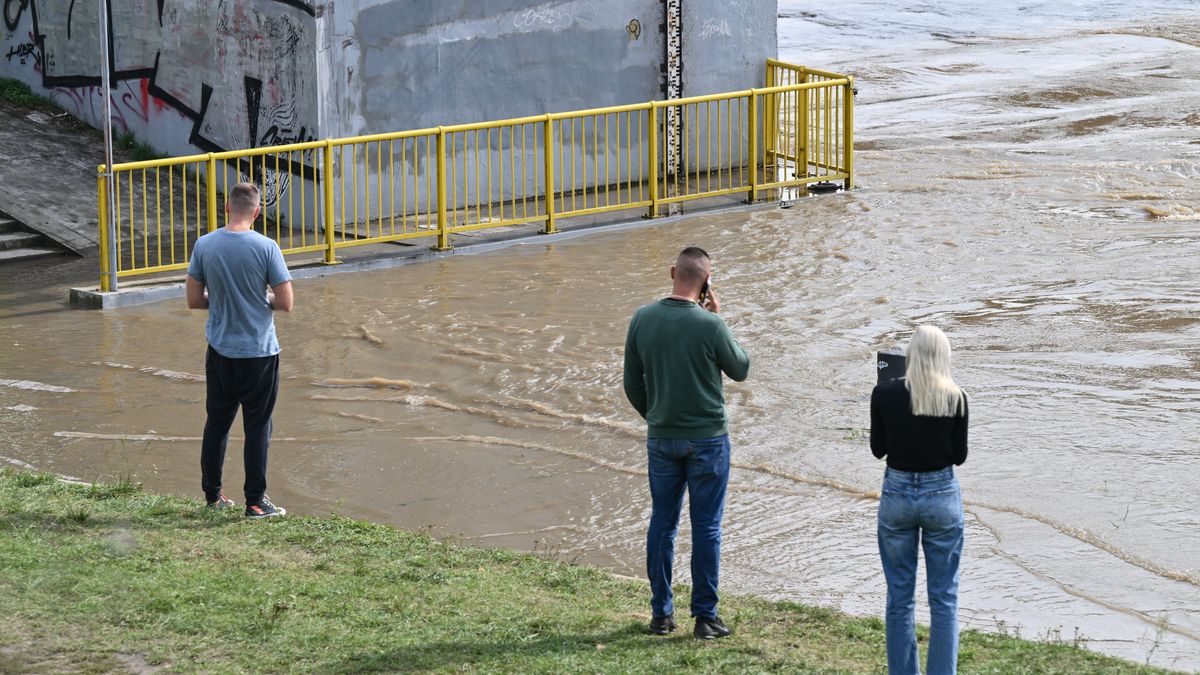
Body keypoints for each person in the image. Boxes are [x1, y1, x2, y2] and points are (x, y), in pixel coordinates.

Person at [623, 246, 751, 640]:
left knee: (663, 523)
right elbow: (741, 369)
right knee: (706, 528)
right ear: (706, 282)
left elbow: (632, 384)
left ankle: (661, 615)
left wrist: (659, 418)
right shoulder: (709, 326)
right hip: (708, 441)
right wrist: (718, 318)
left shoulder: (642, 319)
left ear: (672, 271)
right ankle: (705, 617)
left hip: (662, 439)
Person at [186, 182, 293, 519]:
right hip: (259, 353)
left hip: (220, 351)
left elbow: (193, 300)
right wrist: (258, 299)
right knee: (258, 426)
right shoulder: (267, 247)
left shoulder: (205, 245)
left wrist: (224, 300)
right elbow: (286, 302)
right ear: (257, 212)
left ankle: (213, 497)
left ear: (227, 208)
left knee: (217, 423)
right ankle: (256, 502)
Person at [870, 325, 969, 674]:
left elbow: (878, 449)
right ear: (944, 356)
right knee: (944, 600)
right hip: (941, 495)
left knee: (900, 597)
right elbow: (958, 456)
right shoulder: (955, 396)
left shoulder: (884, 394)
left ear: (910, 355)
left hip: (897, 494)